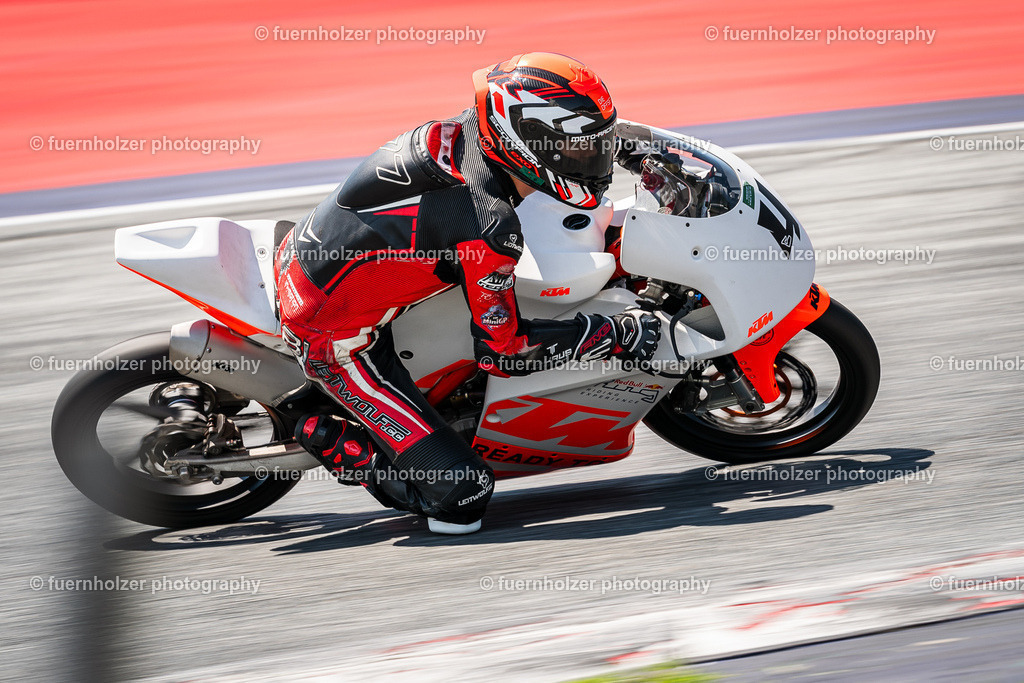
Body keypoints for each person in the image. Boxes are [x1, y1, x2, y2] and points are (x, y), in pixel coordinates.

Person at [274, 52, 661, 534]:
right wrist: (612, 334)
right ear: (527, 142)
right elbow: (507, 354)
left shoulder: (475, 129)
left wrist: (640, 151)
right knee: (463, 498)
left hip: (326, 255)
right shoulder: (487, 226)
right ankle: (340, 443)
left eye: (598, 144)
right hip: (334, 336)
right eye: (581, 149)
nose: (594, 159)